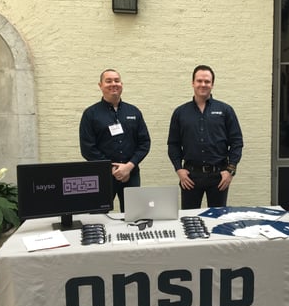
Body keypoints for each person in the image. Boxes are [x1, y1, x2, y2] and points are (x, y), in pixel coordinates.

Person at [167, 64, 243, 209]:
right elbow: (173, 144)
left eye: (207, 81)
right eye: (199, 81)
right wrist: (179, 169)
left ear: (212, 84)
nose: (203, 84)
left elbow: (237, 142)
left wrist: (230, 171)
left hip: (219, 176)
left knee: (217, 219)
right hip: (190, 176)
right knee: (189, 219)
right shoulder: (180, 112)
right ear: (193, 83)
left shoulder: (225, 110)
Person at [80, 68, 151, 212]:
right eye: (108, 81)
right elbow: (88, 149)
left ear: (122, 84)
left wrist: (128, 167)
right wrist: (113, 169)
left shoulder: (134, 112)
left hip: (131, 174)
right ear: (100, 85)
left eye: (117, 81)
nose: (114, 84)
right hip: (102, 177)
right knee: (98, 218)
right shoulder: (90, 114)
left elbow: (144, 143)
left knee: (134, 216)